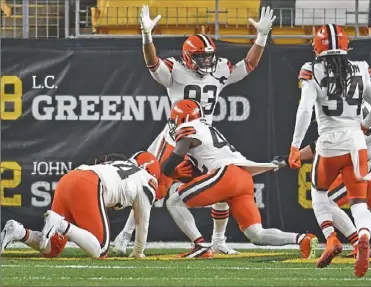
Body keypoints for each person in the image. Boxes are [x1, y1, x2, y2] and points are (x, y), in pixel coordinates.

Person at [113, 5, 277, 255]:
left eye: (210, 56)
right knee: (154, 185)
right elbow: (152, 62)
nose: (208, 61)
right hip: (176, 137)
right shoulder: (175, 70)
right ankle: (125, 235)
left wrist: (262, 37)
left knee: (222, 183)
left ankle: (217, 241)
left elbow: (248, 65)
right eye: (202, 57)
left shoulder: (220, 69)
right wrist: (147, 36)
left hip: (205, 138)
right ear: (189, 57)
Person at [287, 24, 371, 277]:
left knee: (319, 193)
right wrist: (364, 125)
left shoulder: (312, 70)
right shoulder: (361, 68)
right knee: (359, 202)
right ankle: (363, 237)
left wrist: (295, 145)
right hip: (356, 142)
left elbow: (305, 110)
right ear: (345, 45)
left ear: (317, 47)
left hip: (329, 142)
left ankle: (331, 237)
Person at [162, 99, 318, 258]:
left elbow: (173, 161)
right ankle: (301, 238)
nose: (174, 124)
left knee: (174, 201)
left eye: (175, 120)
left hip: (226, 174)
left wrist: (169, 173)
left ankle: (200, 245)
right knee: (256, 234)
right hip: (242, 176)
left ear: (182, 119)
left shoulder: (188, 129)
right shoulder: (206, 128)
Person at [273, 102, 371, 258]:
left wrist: (295, 156)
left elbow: (325, 145)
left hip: (369, 165)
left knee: (326, 200)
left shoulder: (342, 108)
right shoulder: (356, 100)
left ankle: (359, 244)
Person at [0, 152, 160, 259]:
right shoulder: (148, 181)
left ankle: (18, 231)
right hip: (90, 184)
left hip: (69, 179)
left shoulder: (119, 163)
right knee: (101, 250)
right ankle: (59, 223)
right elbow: (142, 222)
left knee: (53, 248)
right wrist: (138, 252)